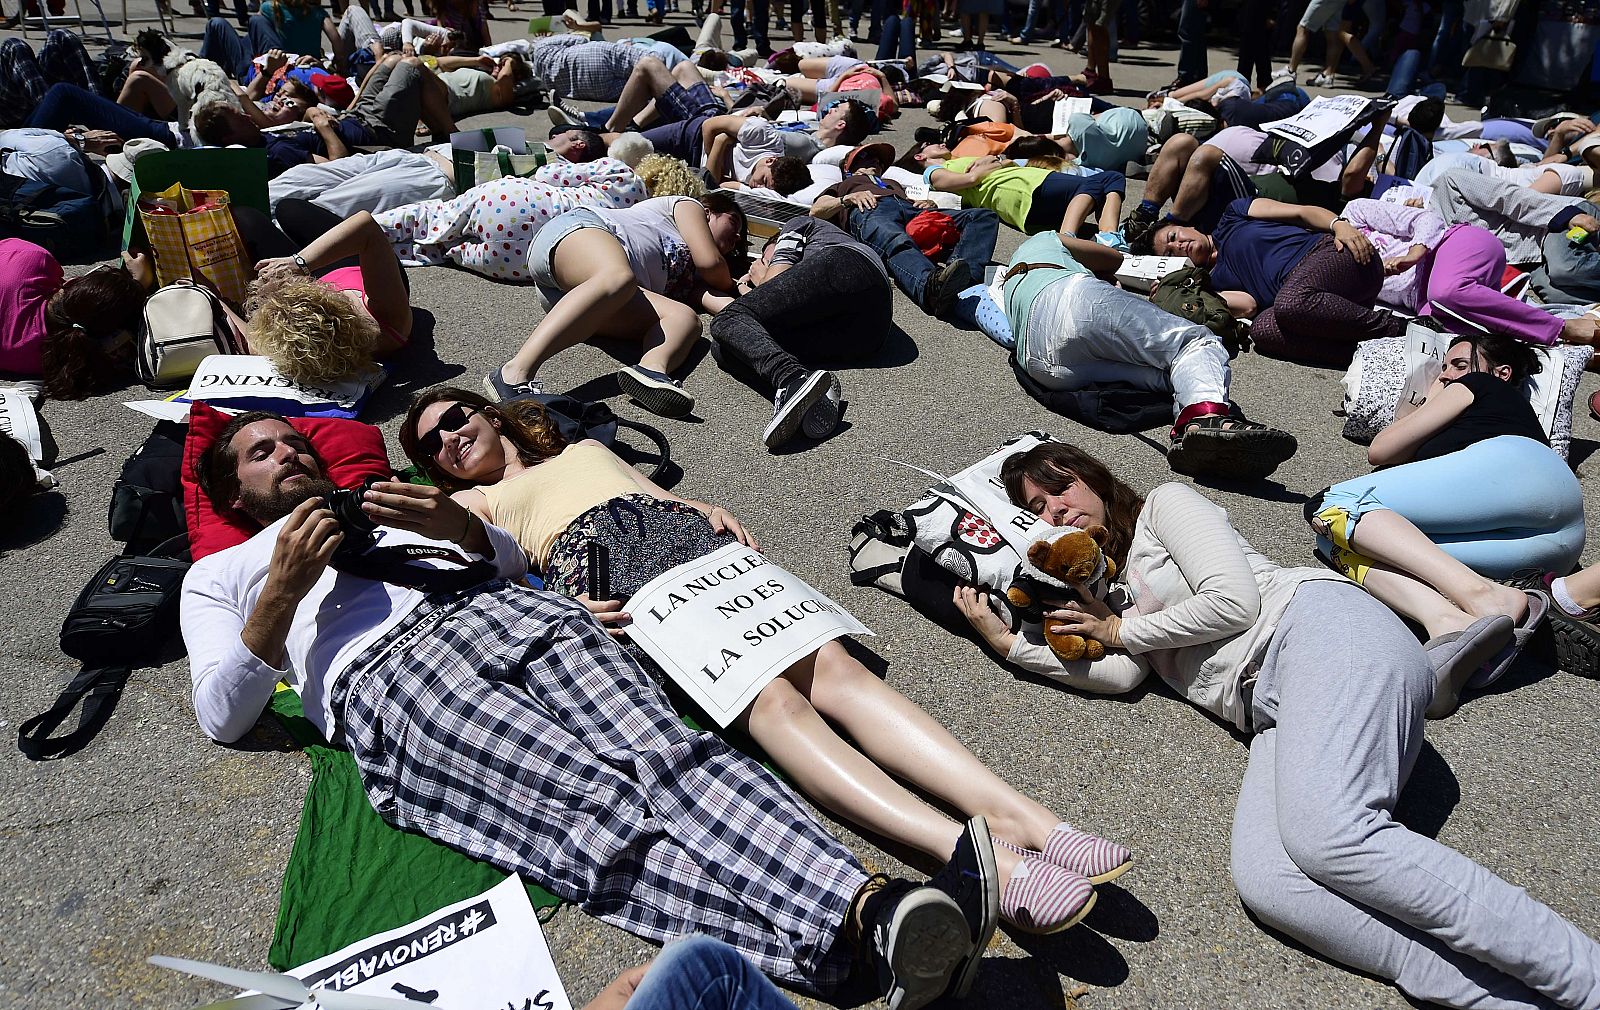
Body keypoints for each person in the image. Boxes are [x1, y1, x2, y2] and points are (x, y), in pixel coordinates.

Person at [180, 409, 995, 1010]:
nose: (289, 453)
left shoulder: (386, 502)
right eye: (262, 452)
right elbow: (222, 713)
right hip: (396, 676)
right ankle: (845, 953)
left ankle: (871, 906)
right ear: (233, 491)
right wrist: (281, 591)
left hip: (505, 610)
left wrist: (463, 527)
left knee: (672, 755)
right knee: (592, 816)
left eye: (293, 441)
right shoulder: (223, 575)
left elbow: (508, 564)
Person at [401, 388, 1131, 932]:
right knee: (772, 705)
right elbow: (490, 572)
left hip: (688, 542)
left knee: (838, 674)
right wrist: (561, 608)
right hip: (611, 571)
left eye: (455, 418)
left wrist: (704, 509)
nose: (449, 439)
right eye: (431, 445)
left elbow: (651, 493)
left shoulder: (582, 449)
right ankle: (980, 860)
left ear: (488, 414)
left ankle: (1028, 820)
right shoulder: (479, 504)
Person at [962, 440, 1600, 1010]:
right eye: (1037, 508)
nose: (1055, 509)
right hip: (1272, 707)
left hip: (1318, 630)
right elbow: (1126, 674)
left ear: (1095, 479)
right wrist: (1014, 646)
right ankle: (1498, 996)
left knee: (1334, 837)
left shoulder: (1164, 506)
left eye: (1061, 486)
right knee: (1275, 884)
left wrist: (1120, 630)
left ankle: (1584, 979)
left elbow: (1233, 602)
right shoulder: (1108, 591)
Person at [1305, 331, 1572, 713]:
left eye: (1458, 365)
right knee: (1334, 541)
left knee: (1330, 505)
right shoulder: (1483, 420)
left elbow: (1381, 449)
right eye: (1443, 367)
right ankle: (1447, 622)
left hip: (1523, 472)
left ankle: (1486, 598)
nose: (1446, 375)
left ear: (1501, 373)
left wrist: (1432, 397)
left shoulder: (1478, 385)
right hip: (1551, 543)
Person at [999, 229, 1297, 479]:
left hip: (1042, 365)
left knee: (1166, 376)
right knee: (1195, 342)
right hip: (1071, 302)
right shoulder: (1044, 238)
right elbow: (1114, 259)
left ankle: (1200, 432)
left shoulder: (1008, 285)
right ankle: (1206, 419)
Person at [483, 193, 747, 417]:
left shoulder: (694, 278)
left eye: (738, 241)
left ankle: (651, 370)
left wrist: (748, 293)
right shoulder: (687, 206)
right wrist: (733, 282)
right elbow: (710, 263)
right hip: (574, 236)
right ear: (709, 211)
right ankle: (512, 373)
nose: (736, 236)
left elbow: (728, 307)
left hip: (595, 296)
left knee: (686, 318)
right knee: (619, 277)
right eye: (733, 222)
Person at [1151, 197, 1404, 366]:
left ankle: (1402, 329)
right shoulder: (1213, 283)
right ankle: (1376, 354)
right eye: (1170, 253)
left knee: (1290, 302)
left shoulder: (1234, 215)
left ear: (1187, 226)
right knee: (1262, 332)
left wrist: (1339, 225)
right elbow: (1248, 306)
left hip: (1336, 256)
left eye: (1173, 236)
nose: (1178, 245)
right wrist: (1178, 294)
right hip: (1320, 307)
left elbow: (1301, 213)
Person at [706, 217, 887, 448]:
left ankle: (792, 379)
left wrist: (752, 280)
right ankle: (814, 393)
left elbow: (774, 280)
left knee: (727, 318)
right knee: (724, 349)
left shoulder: (797, 224)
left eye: (765, 257)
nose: (763, 261)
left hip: (849, 264)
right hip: (868, 334)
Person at [1340, 199, 1598, 346]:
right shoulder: (1327, 271)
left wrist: (1414, 254)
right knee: (1452, 344)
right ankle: (1578, 336)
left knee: (1445, 291)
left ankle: (1564, 328)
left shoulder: (1354, 212)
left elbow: (1427, 220)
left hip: (1454, 245)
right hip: (1428, 300)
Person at [376, 148, 639, 283]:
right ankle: (373, 257)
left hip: (515, 203)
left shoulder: (625, 175)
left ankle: (366, 233)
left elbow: (548, 174)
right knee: (443, 251)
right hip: (523, 258)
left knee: (432, 217)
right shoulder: (645, 223)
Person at [808, 141, 995, 315]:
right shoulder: (841, 185)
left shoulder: (892, 183)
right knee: (893, 238)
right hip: (870, 209)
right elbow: (816, 211)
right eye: (866, 156)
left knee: (981, 216)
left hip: (912, 210)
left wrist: (928, 203)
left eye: (879, 160)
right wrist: (847, 199)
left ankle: (966, 278)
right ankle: (930, 288)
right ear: (847, 167)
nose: (876, 161)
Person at [247, 212, 413, 383]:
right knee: (290, 210)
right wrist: (298, 263)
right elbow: (367, 227)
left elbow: (247, 335)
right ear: (332, 305)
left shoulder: (274, 346)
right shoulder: (386, 318)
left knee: (247, 219)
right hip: (355, 264)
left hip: (324, 275)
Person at [0, 241, 152, 401]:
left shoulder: (32, 258)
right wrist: (139, 287)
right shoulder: (50, 360)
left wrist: (138, 283)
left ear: (71, 282)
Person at [911, 140, 1125, 238]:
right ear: (920, 156)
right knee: (1101, 181)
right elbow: (971, 178)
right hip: (1025, 188)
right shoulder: (933, 172)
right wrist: (985, 166)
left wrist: (991, 162)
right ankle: (1070, 239)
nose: (939, 143)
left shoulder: (959, 161)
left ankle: (1108, 238)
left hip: (1025, 204)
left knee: (1108, 182)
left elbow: (1004, 162)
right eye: (929, 143)